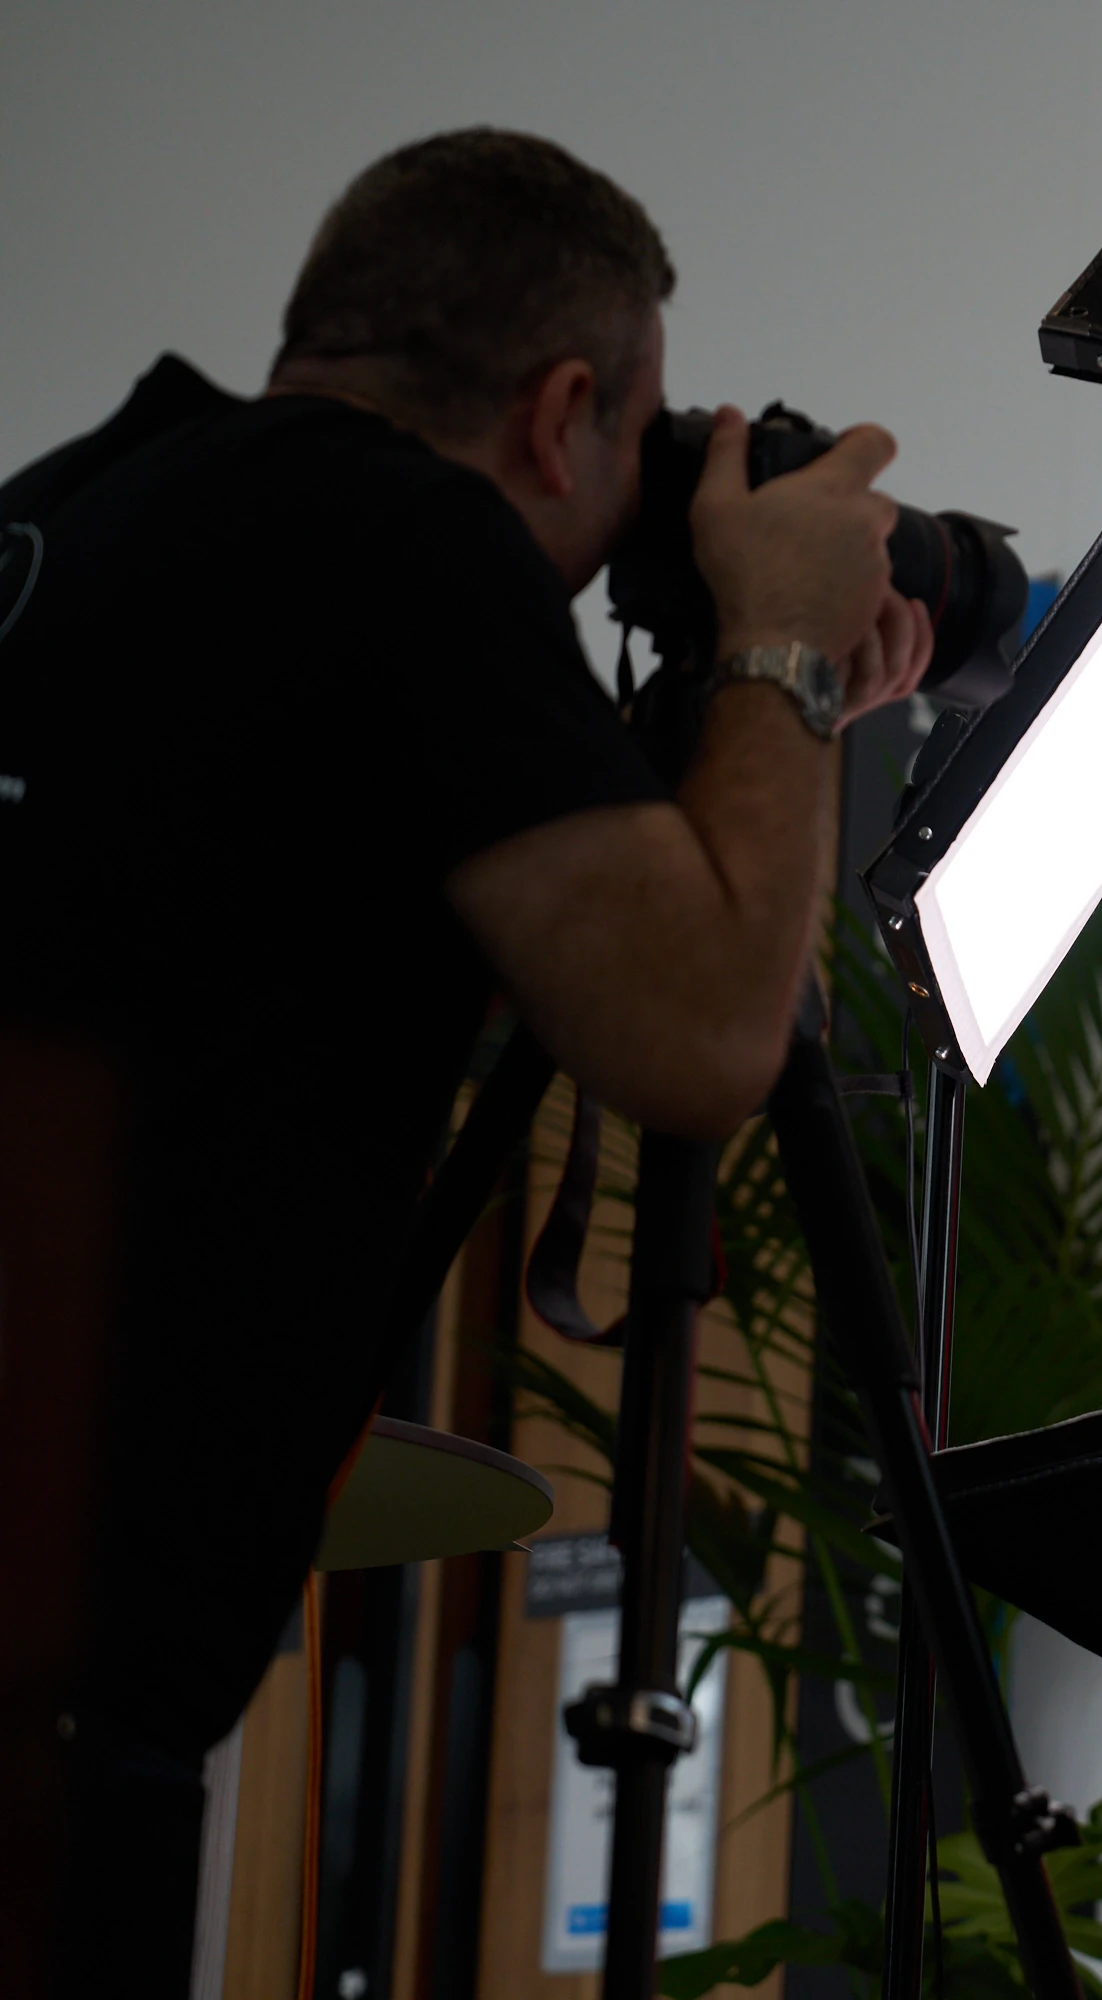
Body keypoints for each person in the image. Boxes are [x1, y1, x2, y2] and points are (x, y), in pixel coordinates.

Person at [0, 129, 931, 1993]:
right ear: (565, 411)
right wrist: (785, 646)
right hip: (47, 1722)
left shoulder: (79, 508)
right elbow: (700, 1036)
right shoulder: (403, 540)